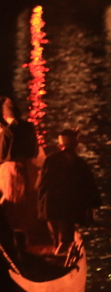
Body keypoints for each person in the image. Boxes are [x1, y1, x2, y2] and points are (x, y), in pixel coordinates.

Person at [37, 129, 101, 254]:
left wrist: (41, 206)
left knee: (55, 235)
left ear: (59, 145)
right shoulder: (80, 163)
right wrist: (91, 210)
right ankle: (59, 257)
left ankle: (57, 253)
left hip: (50, 205)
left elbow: (41, 184)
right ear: (76, 145)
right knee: (65, 240)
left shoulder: (50, 160)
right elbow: (90, 187)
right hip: (68, 209)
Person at [0, 97, 40, 231]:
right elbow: (35, 151)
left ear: (5, 116)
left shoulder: (7, 131)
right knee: (29, 200)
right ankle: (31, 230)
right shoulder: (30, 127)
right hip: (29, 168)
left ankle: (17, 233)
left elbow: (2, 155)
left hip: (12, 170)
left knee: (14, 201)